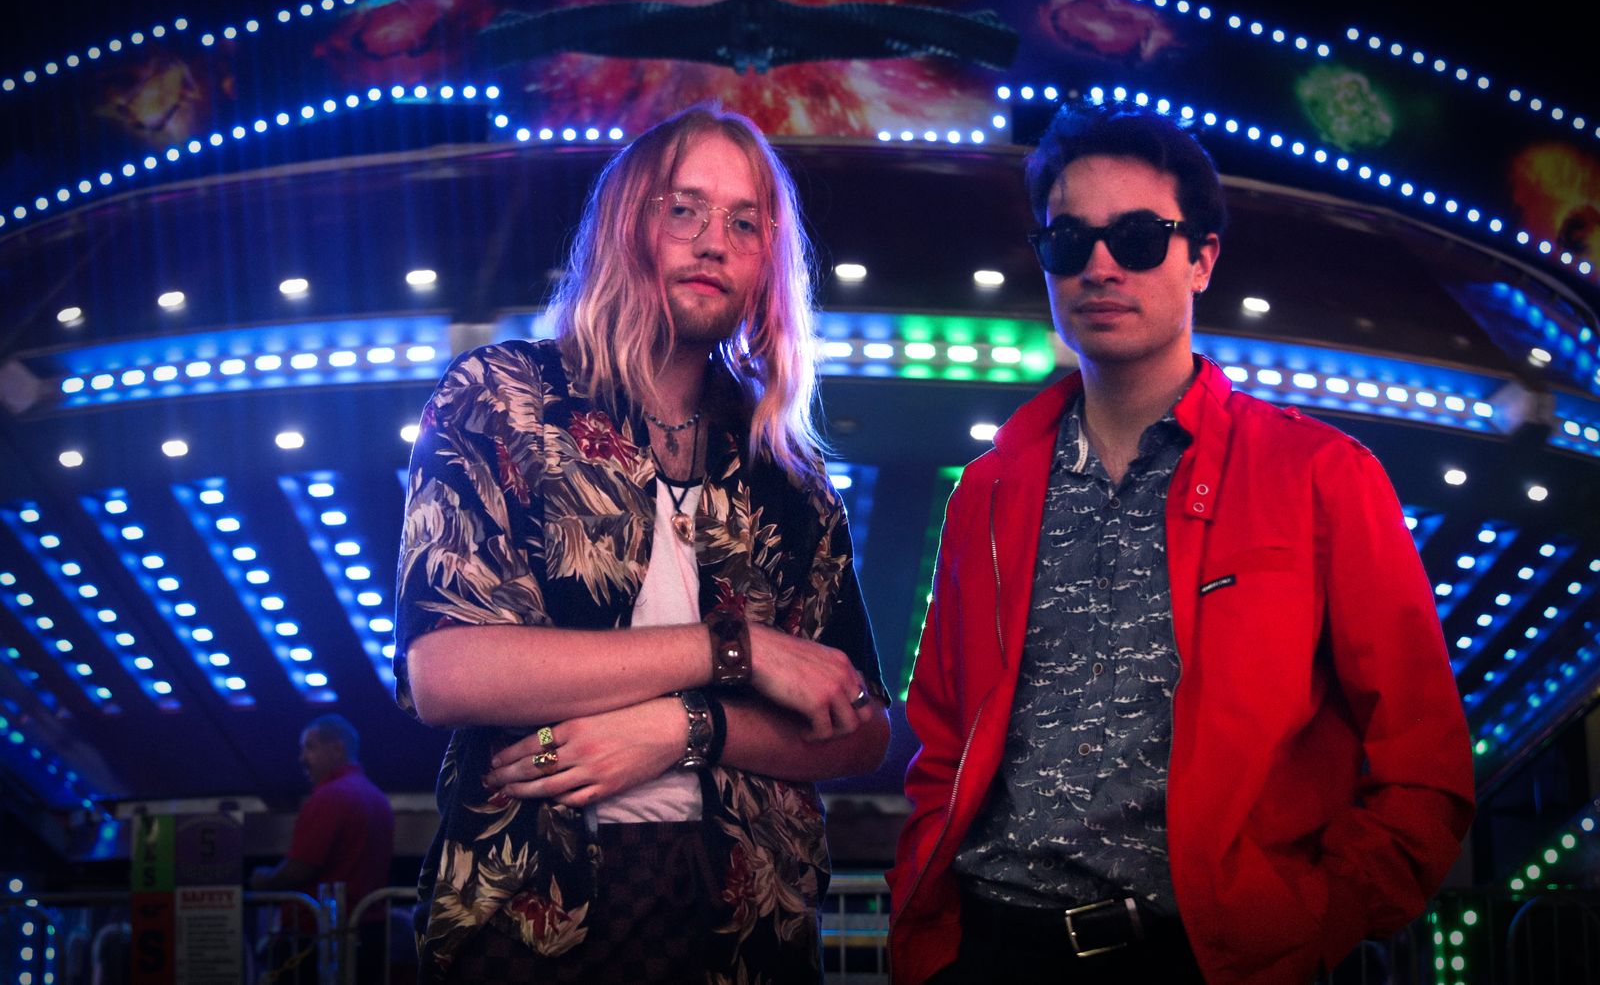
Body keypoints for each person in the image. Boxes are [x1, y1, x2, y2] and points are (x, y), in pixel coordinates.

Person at [887, 101, 1475, 984]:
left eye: (1136, 236)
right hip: (989, 946)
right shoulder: (988, 490)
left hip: (1203, 955)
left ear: (1202, 257)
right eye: (1069, 241)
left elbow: (1424, 762)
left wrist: (1307, 920)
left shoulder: (1321, 475)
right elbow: (940, 734)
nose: (1100, 266)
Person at [394, 103, 891, 983]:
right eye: (684, 209)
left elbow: (860, 731)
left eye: (745, 223)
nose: (714, 242)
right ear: (627, 224)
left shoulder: (788, 470)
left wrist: (688, 728)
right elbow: (447, 671)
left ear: (767, 263)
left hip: (748, 929)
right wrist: (734, 650)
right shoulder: (501, 396)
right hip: (529, 916)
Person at [249, 714, 395, 983]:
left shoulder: (330, 797)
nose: (302, 758)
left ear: (337, 749)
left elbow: (301, 868)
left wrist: (265, 880)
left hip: (318, 939)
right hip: (369, 934)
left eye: (310, 747)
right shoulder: (376, 797)